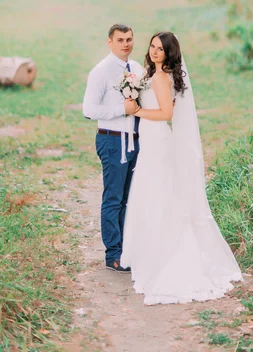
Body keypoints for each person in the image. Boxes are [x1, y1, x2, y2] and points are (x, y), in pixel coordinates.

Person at [121, 32, 243, 304]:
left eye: (160, 49)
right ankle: (152, 252)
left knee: (159, 194)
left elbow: (166, 114)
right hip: (152, 140)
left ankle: (166, 254)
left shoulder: (161, 78)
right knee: (154, 194)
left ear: (169, 53)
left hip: (158, 139)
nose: (154, 52)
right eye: (152, 46)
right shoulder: (155, 74)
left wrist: (136, 111)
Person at [82, 24, 141, 272]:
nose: (125, 44)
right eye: (120, 40)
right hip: (112, 139)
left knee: (129, 198)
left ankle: (128, 249)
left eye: (129, 39)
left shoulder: (136, 68)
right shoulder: (101, 72)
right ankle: (113, 254)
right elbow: (89, 110)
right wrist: (121, 110)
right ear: (110, 42)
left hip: (135, 139)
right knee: (114, 198)